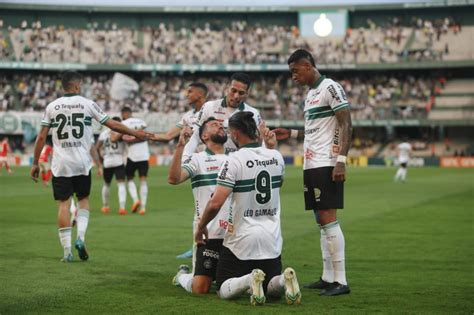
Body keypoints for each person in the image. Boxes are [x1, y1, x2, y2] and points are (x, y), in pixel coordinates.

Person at [30, 71, 148, 262]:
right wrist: (135, 132)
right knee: (83, 199)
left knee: (64, 204)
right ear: (77, 86)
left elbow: (42, 136)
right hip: (82, 162)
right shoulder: (87, 103)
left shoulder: (52, 106)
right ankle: (81, 237)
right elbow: (112, 125)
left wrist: (35, 163)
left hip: (61, 164)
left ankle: (67, 251)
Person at [195, 111, 301, 305]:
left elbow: (216, 203)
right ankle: (285, 281)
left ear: (235, 134)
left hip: (241, 239)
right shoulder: (276, 156)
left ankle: (249, 279)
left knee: (222, 288)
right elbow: (278, 186)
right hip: (272, 238)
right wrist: (269, 147)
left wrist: (201, 226)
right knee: (271, 287)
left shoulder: (234, 160)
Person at [273, 49, 352, 296]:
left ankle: (341, 280)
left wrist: (341, 160)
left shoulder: (330, 87)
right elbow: (317, 130)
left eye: (295, 71)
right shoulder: (311, 95)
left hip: (327, 162)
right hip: (311, 163)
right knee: (321, 220)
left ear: (307, 65)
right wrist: (293, 133)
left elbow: (346, 122)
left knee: (328, 218)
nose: (293, 77)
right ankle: (328, 277)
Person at [168, 118, 231, 294]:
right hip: (206, 232)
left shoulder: (234, 159)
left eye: (221, 125)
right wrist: (180, 146)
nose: (220, 126)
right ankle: (182, 275)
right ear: (204, 136)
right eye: (214, 125)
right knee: (200, 288)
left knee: (224, 282)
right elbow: (174, 179)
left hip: (234, 233)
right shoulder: (197, 159)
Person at [150, 82, 208, 259]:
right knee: (200, 205)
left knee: (214, 205)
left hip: (212, 162)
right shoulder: (187, 116)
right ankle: (197, 245)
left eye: (190, 91)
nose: (186, 94)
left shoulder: (212, 111)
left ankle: (207, 247)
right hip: (194, 164)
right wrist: (144, 136)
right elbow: (168, 135)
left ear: (200, 93)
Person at [183, 73, 263, 160]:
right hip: (212, 162)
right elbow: (195, 135)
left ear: (247, 93)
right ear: (227, 88)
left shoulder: (253, 113)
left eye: (241, 93)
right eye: (233, 90)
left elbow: (259, 142)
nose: (236, 96)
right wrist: (186, 157)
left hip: (237, 164)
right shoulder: (209, 107)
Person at [117, 107, 150, 215]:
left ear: (124, 113)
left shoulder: (124, 123)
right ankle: (143, 208)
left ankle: (136, 200)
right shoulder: (141, 121)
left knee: (130, 178)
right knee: (143, 180)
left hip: (132, 156)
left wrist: (130, 139)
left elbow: (120, 137)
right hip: (144, 155)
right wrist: (139, 138)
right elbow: (145, 135)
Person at [95, 116, 127, 215]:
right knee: (121, 184)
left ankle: (105, 206)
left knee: (106, 184)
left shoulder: (103, 134)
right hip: (118, 160)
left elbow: (97, 148)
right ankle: (122, 208)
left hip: (107, 160)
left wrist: (101, 160)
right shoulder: (121, 133)